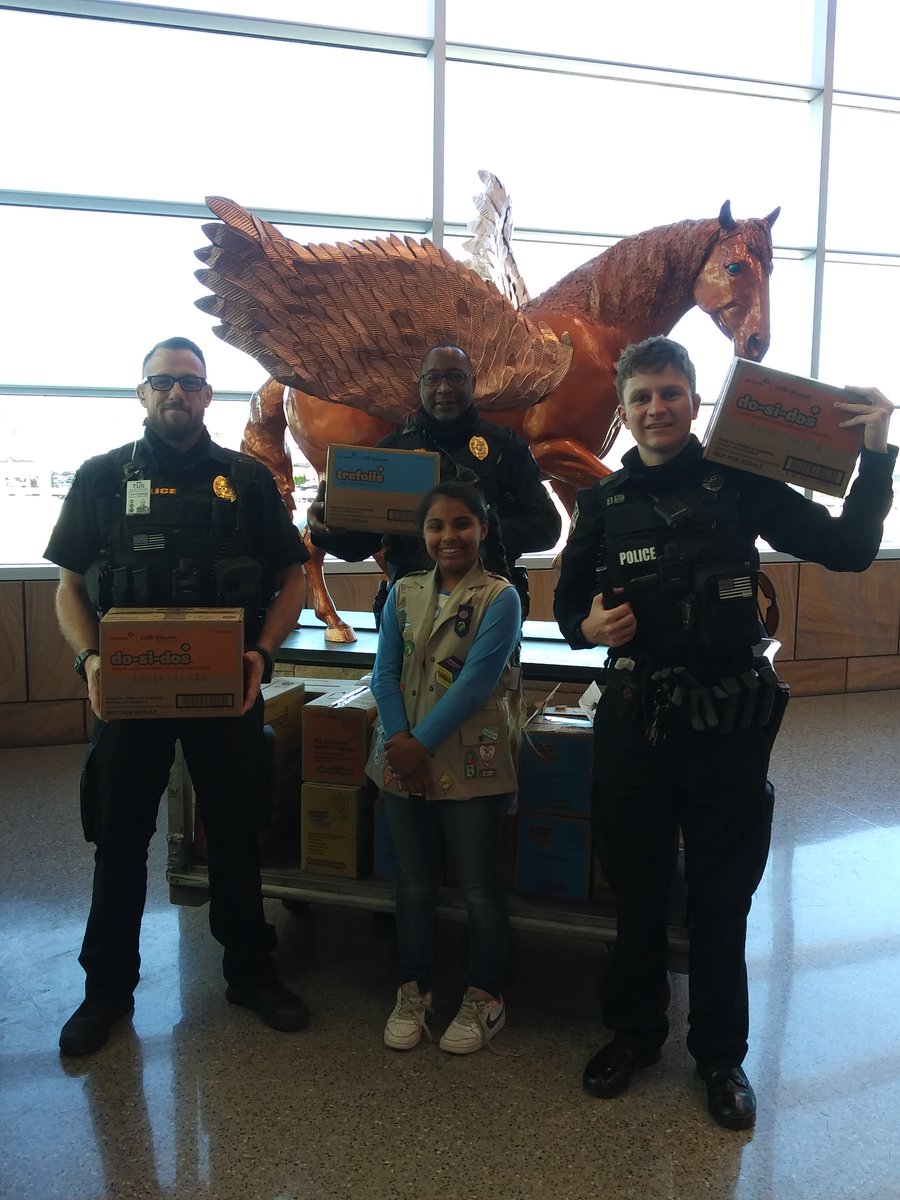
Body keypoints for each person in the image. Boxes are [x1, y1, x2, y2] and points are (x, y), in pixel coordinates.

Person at [554, 336, 896, 1129]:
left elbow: (847, 549)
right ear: (625, 408)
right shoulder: (602, 504)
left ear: (695, 399)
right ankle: (634, 1035)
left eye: (670, 393)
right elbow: (568, 607)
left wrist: (877, 455)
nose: (655, 409)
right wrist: (589, 624)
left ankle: (720, 1057)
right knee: (637, 893)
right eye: (640, 397)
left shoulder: (741, 482)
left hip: (725, 724)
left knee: (720, 897)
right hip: (635, 722)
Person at [45, 336, 311, 1056]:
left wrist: (264, 651)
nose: (177, 394)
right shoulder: (102, 479)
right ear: (142, 394)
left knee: (235, 834)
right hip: (128, 695)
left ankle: (251, 976)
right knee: (120, 839)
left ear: (206, 395)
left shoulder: (246, 482)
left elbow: (292, 575)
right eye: (163, 382)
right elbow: (69, 587)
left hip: (227, 691)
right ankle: (105, 992)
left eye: (191, 384)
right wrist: (90, 660)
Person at [366, 480, 522, 1054]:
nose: (448, 536)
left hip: (467, 758)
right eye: (436, 526)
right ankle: (414, 988)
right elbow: (383, 672)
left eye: (461, 524)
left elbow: (477, 683)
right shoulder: (402, 592)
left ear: (482, 529)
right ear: (422, 534)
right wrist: (400, 741)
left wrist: (419, 744)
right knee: (412, 884)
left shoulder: (499, 597)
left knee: (480, 886)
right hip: (400, 756)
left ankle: (486, 996)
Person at [307, 344, 561, 620]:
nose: (445, 388)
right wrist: (326, 527)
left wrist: (478, 532)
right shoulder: (391, 452)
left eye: (456, 377)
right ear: (420, 385)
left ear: (473, 383)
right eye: (433, 378)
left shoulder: (505, 447)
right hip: (410, 612)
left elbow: (547, 528)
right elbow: (357, 547)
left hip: (489, 607)